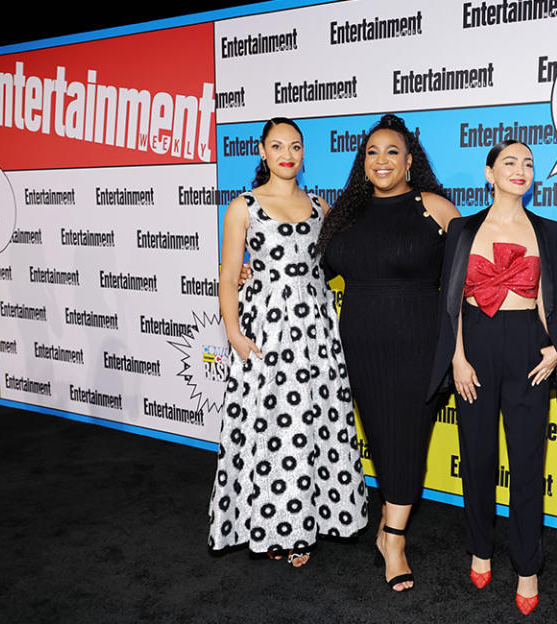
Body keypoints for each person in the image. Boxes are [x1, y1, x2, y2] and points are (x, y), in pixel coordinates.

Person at [208, 117, 367, 567]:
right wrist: (234, 333)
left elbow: (332, 264)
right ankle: (272, 524)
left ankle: (303, 526)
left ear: (303, 152)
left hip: (315, 328)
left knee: (312, 426)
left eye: (295, 145)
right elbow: (227, 274)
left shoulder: (319, 205)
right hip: (265, 329)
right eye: (277, 145)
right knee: (272, 426)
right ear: (261, 151)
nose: (287, 153)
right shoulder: (243, 206)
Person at [426, 140, 557, 615]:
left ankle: (528, 567)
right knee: (478, 457)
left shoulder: (549, 231)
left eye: (528, 164)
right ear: (489, 173)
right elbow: (451, 301)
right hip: (477, 349)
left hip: (529, 346)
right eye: (510, 162)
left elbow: (556, 301)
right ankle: (481, 548)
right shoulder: (463, 230)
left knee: (528, 463)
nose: (521, 169)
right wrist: (457, 358)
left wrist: (555, 350)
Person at [318, 114, 459, 591]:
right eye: (372, 152)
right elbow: (312, 272)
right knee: (381, 436)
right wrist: (250, 274)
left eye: (392, 152)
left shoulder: (436, 208)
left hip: (421, 340)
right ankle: (389, 525)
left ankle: (393, 539)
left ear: (410, 161)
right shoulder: (345, 213)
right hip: (360, 342)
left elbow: (468, 279)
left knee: (409, 439)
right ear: (363, 162)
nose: (382, 160)